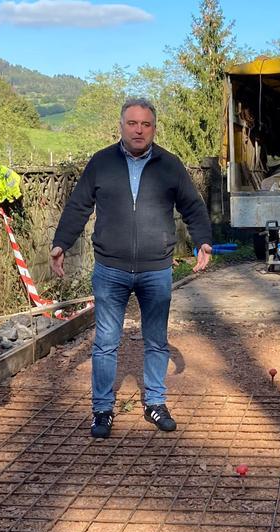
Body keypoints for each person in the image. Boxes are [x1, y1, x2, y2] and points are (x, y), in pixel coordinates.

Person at [50, 97, 213, 439]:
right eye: (132, 123)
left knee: (156, 340)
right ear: (121, 126)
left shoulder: (170, 165)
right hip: (111, 268)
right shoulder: (101, 163)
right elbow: (79, 205)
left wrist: (203, 241)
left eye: (146, 124)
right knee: (106, 342)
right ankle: (103, 410)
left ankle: (155, 402)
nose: (139, 130)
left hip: (157, 269)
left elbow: (193, 207)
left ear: (154, 128)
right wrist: (61, 243)